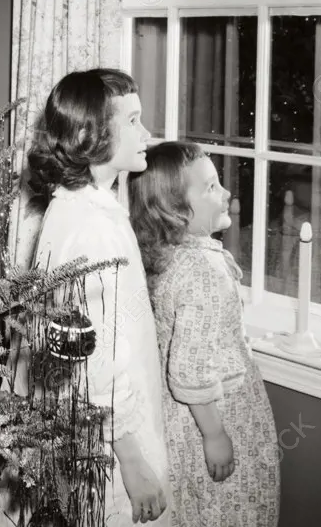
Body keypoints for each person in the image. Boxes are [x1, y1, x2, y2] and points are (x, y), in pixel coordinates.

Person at [0, 68, 171, 526]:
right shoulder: (90, 228)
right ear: (90, 134)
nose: (146, 133)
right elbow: (90, 358)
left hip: (89, 429)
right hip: (103, 444)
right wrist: (131, 455)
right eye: (132, 121)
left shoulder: (81, 206)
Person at [129, 141, 279, 527]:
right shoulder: (202, 271)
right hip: (210, 419)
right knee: (231, 512)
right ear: (175, 208)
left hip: (181, 422)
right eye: (212, 187)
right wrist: (215, 435)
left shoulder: (170, 257)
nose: (227, 193)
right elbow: (190, 369)